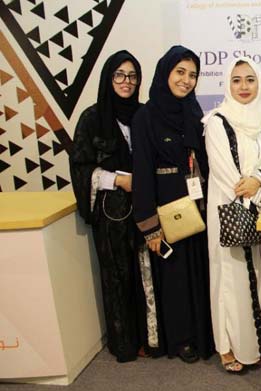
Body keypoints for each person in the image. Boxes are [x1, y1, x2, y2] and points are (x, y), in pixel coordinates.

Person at [203, 57, 261, 372]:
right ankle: (228, 347)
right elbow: (226, 174)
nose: (243, 86)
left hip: (258, 210)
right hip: (228, 209)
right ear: (228, 83)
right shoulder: (216, 121)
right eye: (236, 80)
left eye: (250, 79)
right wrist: (258, 189)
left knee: (259, 273)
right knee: (230, 277)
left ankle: (259, 344)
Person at [131, 45, 214, 363]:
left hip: (198, 206)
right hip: (167, 208)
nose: (186, 80)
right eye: (180, 72)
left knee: (198, 270)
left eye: (193, 75)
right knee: (175, 275)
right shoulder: (146, 116)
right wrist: (150, 226)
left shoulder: (194, 112)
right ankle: (182, 339)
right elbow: (141, 172)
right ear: (165, 71)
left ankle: (203, 334)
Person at [69, 50, 145, 363]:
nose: (126, 82)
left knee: (145, 275)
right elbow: (80, 169)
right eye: (120, 75)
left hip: (144, 209)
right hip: (111, 215)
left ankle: (148, 338)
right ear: (108, 78)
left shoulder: (143, 115)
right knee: (117, 277)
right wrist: (118, 180)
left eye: (132, 76)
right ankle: (125, 344)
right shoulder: (92, 118)